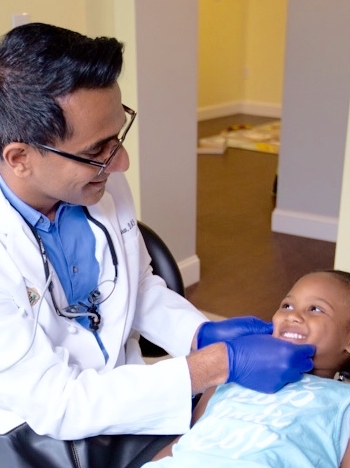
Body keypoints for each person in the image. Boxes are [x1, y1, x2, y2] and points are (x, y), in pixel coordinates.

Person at [0, 22, 314, 467]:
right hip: (31, 431)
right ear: (19, 158)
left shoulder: (95, 184)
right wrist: (214, 364)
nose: (121, 161)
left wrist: (198, 333)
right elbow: (58, 403)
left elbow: (137, 287)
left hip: (120, 395)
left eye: (119, 133)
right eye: (99, 149)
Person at [144, 269, 350, 468]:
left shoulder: (343, 400)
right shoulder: (231, 376)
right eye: (286, 306)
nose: (292, 316)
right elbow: (183, 441)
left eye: (315, 309)